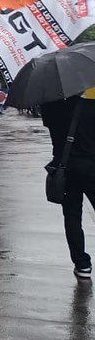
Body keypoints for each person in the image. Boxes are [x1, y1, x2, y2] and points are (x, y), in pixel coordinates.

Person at [41, 90, 95, 278]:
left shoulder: (50, 108)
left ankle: (82, 264)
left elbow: (51, 127)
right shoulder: (91, 106)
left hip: (65, 168)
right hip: (91, 165)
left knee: (72, 216)